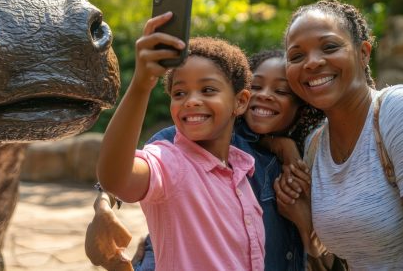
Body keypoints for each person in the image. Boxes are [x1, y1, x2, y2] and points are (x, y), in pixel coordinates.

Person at [87, 47, 324, 271]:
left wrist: (304, 221)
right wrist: (104, 203)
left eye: (281, 91)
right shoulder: (180, 150)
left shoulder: (243, 166)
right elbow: (126, 173)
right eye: (179, 93)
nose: (263, 96)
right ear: (245, 97)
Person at [274, 0, 403, 270]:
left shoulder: (402, 112)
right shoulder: (316, 144)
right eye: (297, 56)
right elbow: (341, 256)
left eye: (329, 47)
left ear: (363, 53)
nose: (312, 63)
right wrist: (305, 221)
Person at [96, 12, 264, 270]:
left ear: (240, 101)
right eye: (180, 93)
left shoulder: (243, 172)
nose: (191, 100)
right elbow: (115, 178)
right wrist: (141, 85)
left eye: (208, 90)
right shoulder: (170, 163)